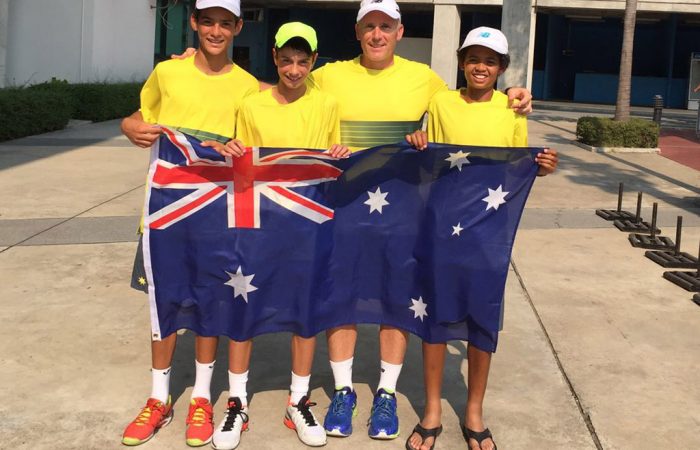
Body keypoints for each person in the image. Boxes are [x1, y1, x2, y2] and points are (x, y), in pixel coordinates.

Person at [307, 0, 534, 441]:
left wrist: (516, 93)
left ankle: (387, 393)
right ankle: (341, 390)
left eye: (385, 26)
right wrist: (196, 57)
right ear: (357, 31)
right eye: (369, 26)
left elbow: (472, 92)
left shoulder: (425, 80)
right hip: (345, 204)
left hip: (404, 209)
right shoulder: (328, 75)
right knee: (343, 294)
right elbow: (283, 84)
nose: (377, 34)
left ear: (399, 30)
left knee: (398, 294)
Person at [404, 27, 558, 450]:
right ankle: (432, 409)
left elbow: (516, 167)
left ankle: (473, 411)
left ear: (502, 68)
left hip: (488, 233)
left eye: (490, 61)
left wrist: (540, 166)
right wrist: (418, 142)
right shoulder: (440, 102)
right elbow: (427, 158)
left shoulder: (513, 111)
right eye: (473, 58)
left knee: (481, 317)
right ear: (460, 61)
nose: (480, 67)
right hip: (440, 225)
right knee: (435, 316)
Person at [119, 0, 259, 446]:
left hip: (218, 213)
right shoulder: (168, 72)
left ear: (237, 27)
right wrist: (128, 124)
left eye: (225, 23)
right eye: (207, 21)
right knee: (165, 301)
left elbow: (253, 146)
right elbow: (144, 116)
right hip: (166, 211)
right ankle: (158, 398)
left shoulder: (249, 86)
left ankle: (200, 397)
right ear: (194, 23)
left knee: (209, 304)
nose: (215, 30)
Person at [205, 22, 350, 450]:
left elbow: (329, 162)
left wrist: (338, 155)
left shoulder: (327, 104)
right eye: (286, 59)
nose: (293, 68)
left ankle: (299, 399)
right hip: (257, 223)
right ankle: (236, 401)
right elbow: (241, 161)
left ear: (313, 62)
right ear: (274, 57)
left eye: (302, 61)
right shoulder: (251, 105)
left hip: (306, 224)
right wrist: (226, 149)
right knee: (242, 306)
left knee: (304, 310)